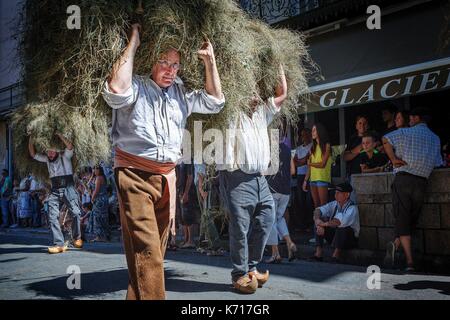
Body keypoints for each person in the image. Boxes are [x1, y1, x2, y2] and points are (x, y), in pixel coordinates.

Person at [102, 22, 224, 299]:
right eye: (164, 62)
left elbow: (216, 102)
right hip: (133, 174)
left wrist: (210, 62)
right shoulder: (136, 86)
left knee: (152, 251)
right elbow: (115, 92)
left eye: (176, 64)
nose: (171, 70)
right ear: (150, 61)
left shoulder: (181, 93)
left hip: (168, 178)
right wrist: (133, 42)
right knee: (148, 252)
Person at [219, 65, 287, 294]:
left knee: (267, 218)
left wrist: (278, 64)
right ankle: (239, 274)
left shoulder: (262, 112)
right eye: (252, 91)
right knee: (240, 226)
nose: (257, 96)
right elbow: (218, 94)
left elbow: (282, 93)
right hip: (236, 176)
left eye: (258, 91)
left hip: (259, 178)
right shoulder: (230, 112)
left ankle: (252, 266)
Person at [382, 107, 443, 272]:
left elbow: (385, 138)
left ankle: (409, 262)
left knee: (402, 218)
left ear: (416, 118)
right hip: (422, 182)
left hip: (404, 179)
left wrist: (393, 159)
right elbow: (439, 163)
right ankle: (395, 244)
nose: (409, 121)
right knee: (411, 220)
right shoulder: (436, 138)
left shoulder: (406, 133)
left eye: (410, 118)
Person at [28, 133, 83, 254]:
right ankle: (59, 244)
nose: (50, 154)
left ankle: (77, 237)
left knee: (76, 213)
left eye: (52, 152)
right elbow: (32, 154)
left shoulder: (65, 156)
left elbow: (69, 146)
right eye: (48, 152)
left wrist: (60, 135)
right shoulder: (47, 159)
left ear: (57, 151)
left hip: (68, 187)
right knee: (52, 216)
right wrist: (31, 137)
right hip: (55, 190)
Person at [265, 135, 297, 264]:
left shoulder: (270, 148)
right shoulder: (287, 148)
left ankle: (275, 253)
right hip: (286, 190)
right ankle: (289, 243)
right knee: (279, 218)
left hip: (273, 189)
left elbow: (271, 169)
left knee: (271, 220)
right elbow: (293, 170)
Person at [310, 182, 359, 262]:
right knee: (319, 220)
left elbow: (338, 222)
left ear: (347, 195)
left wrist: (323, 224)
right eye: (335, 192)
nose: (335, 195)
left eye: (339, 193)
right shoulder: (334, 204)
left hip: (349, 240)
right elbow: (318, 210)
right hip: (335, 237)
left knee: (343, 229)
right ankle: (318, 253)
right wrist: (318, 221)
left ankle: (336, 255)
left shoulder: (352, 208)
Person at [303, 123, 332, 209]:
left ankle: (326, 222)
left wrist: (310, 164)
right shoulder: (312, 148)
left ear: (320, 131)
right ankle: (317, 223)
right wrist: (305, 180)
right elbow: (309, 167)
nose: (312, 132)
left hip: (322, 178)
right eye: (312, 131)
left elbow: (322, 164)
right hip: (313, 179)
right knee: (316, 206)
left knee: (324, 206)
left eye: (314, 130)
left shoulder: (327, 145)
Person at [293, 128, 313, 230]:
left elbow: (306, 161)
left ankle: (310, 224)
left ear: (310, 135)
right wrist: (301, 161)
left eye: (305, 134)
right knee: (300, 201)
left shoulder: (312, 146)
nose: (303, 136)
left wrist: (300, 161)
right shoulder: (298, 148)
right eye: (302, 135)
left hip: (309, 175)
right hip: (300, 176)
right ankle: (302, 225)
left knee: (309, 201)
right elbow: (295, 163)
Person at [90, 165, 110, 242]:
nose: (95, 170)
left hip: (100, 200)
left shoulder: (99, 178)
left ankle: (100, 236)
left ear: (100, 170)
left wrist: (92, 198)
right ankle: (104, 236)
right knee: (103, 217)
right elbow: (89, 184)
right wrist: (92, 175)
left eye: (96, 169)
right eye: (94, 169)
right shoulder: (101, 177)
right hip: (104, 199)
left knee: (98, 217)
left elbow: (96, 190)